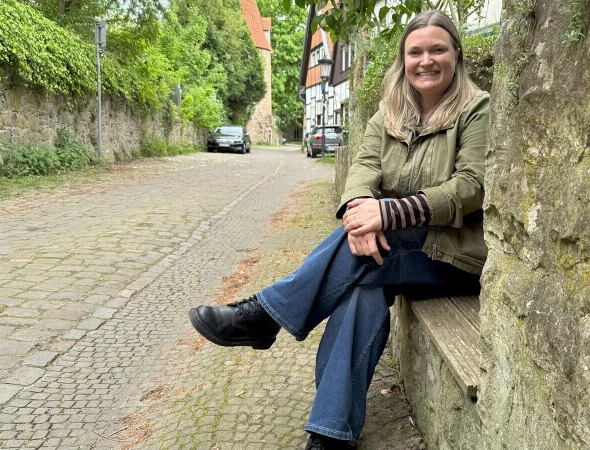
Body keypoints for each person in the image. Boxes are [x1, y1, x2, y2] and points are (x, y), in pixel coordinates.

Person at [188, 10, 489, 450]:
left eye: (437, 50)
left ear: (456, 55)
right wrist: (357, 214)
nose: (426, 60)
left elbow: (471, 186)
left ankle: (266, 315)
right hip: (393, 252)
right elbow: (363, 168)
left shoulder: (476, 108)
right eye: (416, 52)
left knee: (369, 253)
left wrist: (388, 214)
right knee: (360, 287)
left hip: (452, 255)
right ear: (403, 60)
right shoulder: (390, 113)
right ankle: (330, 434)